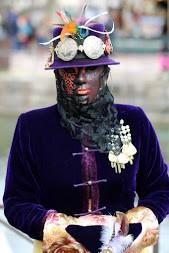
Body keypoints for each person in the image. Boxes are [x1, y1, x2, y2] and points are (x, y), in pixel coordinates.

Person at [3, 6, 169, 253]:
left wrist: (135, 226)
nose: (81, 79)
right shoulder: (32, 127)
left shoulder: (134, 120)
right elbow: (17, 201)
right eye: (70, 71)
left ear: (104, 72)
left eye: (90, 69)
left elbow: (160, 188)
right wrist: (61, 229)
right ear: (58, 76)